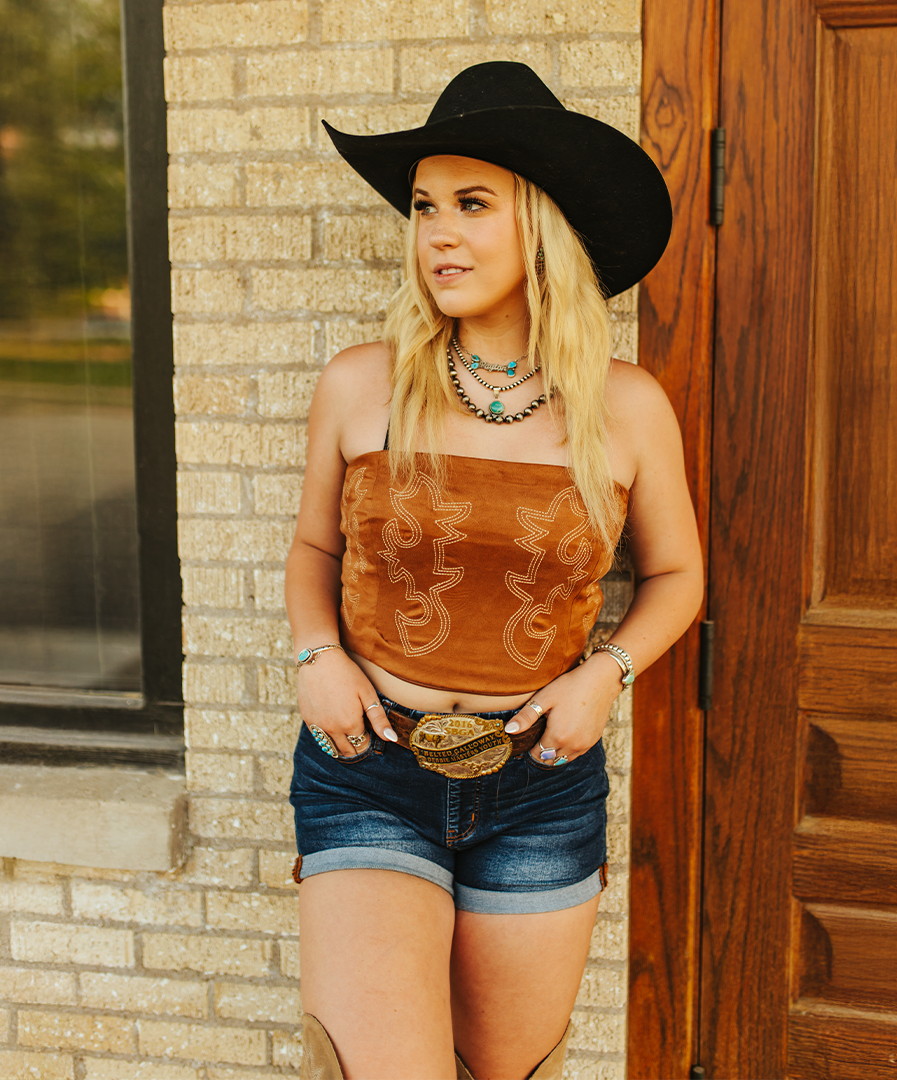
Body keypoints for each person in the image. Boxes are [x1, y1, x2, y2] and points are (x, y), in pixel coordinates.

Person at [284, 62, 703, 1080]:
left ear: (543, 225)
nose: (438, 232)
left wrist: (608, 675)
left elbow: (678, 575)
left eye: (473, 204)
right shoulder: (359, 383)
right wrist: (315, 654)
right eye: (426, 206)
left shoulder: (628, 406)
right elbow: (313, 551)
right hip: (368, 769)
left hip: (540, 788)